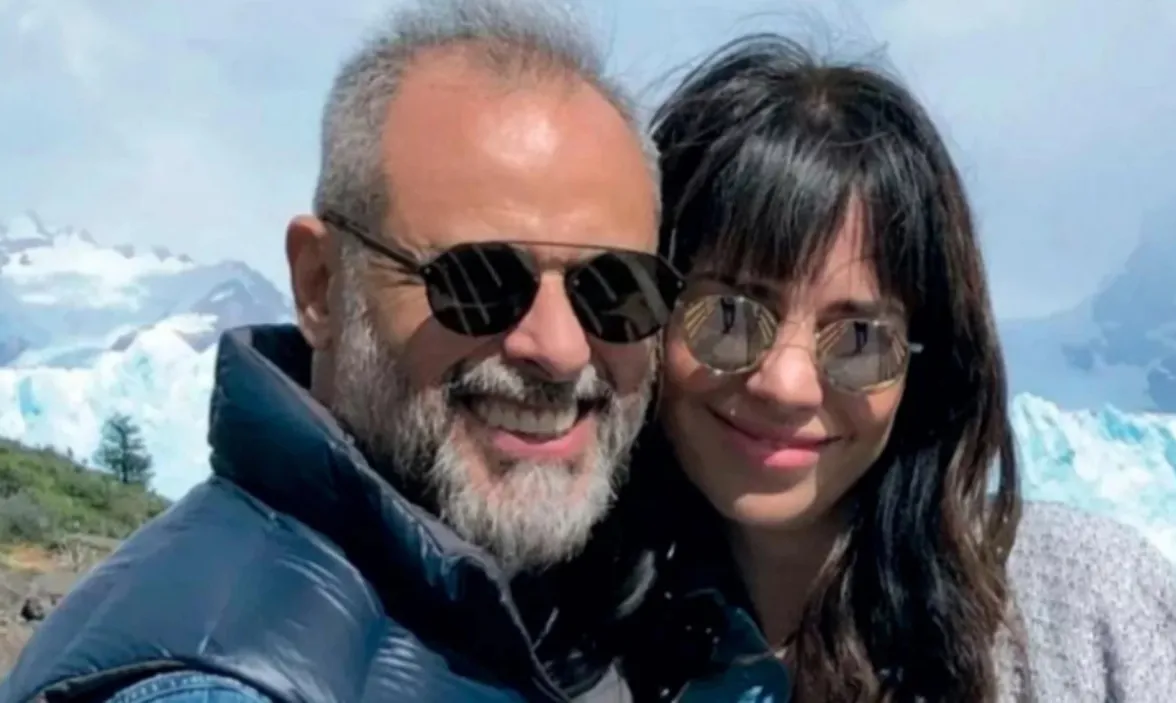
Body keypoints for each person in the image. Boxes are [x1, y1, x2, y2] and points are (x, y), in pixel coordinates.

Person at [0, 1, 682, 701]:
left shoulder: (549, 606)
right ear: (321, 286)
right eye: (478, 282)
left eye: (614, 289)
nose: (560, 348)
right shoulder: (217, 689)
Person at [617, 34, 1176, 701]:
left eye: (860, 338)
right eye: (729, 315)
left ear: (924, 367)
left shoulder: (1090, 617)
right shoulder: (556, 650)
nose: (785, 384)